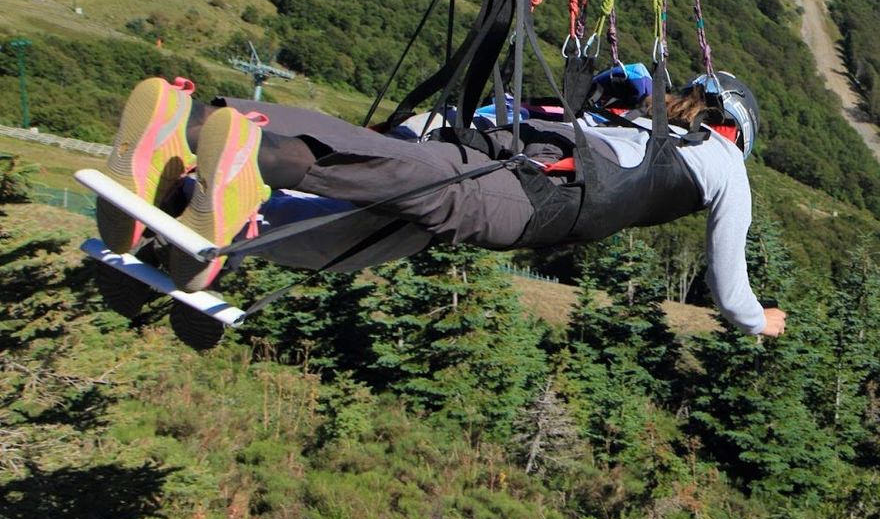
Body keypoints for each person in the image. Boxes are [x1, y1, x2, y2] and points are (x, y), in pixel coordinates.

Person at [97, 73, 787, 337]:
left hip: (501, 161)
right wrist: (761, 323)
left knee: (379, 226)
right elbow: (731, 292)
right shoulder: (723, 166)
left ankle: (195, 217)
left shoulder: (633, 117)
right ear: (738, 131)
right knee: (388, 178)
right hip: (519, 199)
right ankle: (216, 143)